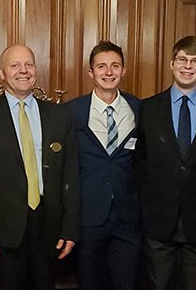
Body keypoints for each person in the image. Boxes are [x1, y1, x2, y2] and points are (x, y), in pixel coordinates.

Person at [0, 44, 79, 290]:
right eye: (14, 65)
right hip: (1, 230)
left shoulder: (59, 116)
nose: (23, 71)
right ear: (1, 72)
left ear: (36, 70)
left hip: (48, 228)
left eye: (28, 64)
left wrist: (70, 228)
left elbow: (70, 174)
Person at [135, 35, 196, 290]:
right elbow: (137, 163)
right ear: (172, 63)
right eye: (183, 59)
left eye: (195, 61)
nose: (188, 66)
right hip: (158, 221)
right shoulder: (147, 109)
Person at [65, 41, 141, 290]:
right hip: (88, 217)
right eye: (102, 67)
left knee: (126, 283)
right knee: (89, 283)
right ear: (91, 73)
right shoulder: (71, 112)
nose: (109, 72)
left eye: (115, 66)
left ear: (124, 70)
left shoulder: (139, 108)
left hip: (128, 217)